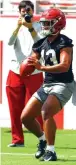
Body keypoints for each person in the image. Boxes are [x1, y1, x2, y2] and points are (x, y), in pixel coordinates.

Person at [21, 8, 75, 161]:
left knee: (46, 111)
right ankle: (42, 140)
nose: (44, 26)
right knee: (26, 117)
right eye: (43, 24)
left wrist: (42, 67)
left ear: (58, 24)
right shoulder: (40, 44)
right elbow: (32, 61)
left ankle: (51, 151)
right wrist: (28, 66)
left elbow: (65, 65)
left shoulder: (64, 42)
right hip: (47, 85)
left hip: (63, 84)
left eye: (48, 23)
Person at [7, 0, 43, 147]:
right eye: (23, 11)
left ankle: (43, 138)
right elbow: (9, 42)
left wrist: (30, 28)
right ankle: (17, 140)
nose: (26, 13)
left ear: (32, 12)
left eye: (28, 11)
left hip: (33, 70)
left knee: (37, 106)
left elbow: (40, 43)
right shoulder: (15, 25)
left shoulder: (39, 26)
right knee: (14, 107)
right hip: (15, 70)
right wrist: (18, 26)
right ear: (19, 12)